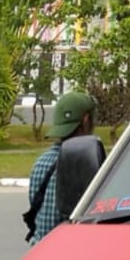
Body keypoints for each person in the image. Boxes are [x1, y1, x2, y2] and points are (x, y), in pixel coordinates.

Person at [24, 90, 97, 244]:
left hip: (39, 253)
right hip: (68, 254)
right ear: (85, 120)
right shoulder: (88, 164)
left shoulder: (41, 163)